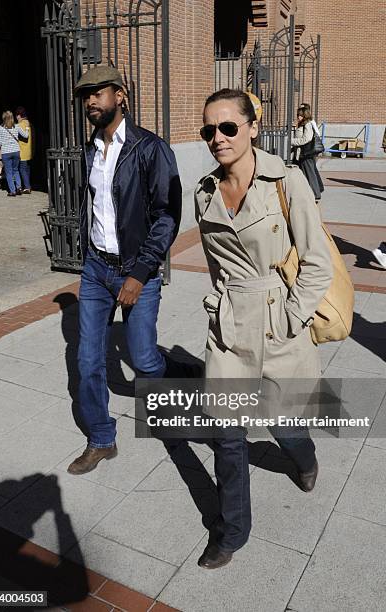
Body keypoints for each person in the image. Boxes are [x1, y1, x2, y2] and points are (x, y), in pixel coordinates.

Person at [193, 88, 332, 568]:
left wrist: (292, 316)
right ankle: (232, 532)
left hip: (278, 321)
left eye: (228, 127)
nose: (218, 138)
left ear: (252, 127)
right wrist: (219, 308)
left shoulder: (285, 181)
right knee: (227, 437)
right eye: (209, 129)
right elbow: (215, 265)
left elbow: (318, 263)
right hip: (229, 327)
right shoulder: (204, 191)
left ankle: (303, 456)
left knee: (283, 422)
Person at [67, 66, 182, 475]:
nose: (91, 101)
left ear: (121, 95)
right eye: (86, 95)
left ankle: (172, 388)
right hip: (97, 269)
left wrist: (139, 273)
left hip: (138, 271)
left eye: (98, 92)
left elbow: (167, 215)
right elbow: (96, 208)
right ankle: (101, 438)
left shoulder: (150, 148)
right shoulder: (89, 149)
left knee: (145, 358)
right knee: (88, 360)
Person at [291, 106, 324, 202]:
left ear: (304, 115)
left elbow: (306, 138)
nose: (298, 117)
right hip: (301, 153)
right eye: (297, 115)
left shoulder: (308, 124)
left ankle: (315, 194)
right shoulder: (301, 124)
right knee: (304, 173)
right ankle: (309, 191)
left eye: (299, 115)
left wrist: (292, 141)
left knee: (309, 173)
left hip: (307, 153)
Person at [0, 111, 28, 196]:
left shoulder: (0, 128)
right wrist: (27, 128)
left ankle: (12, 191)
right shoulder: (17, 126)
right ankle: (19, 187)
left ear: (3, 118)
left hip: (6, 153)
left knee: (9, 172)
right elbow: (25, 136)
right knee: (16, 170)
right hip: (16, 151)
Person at [16, 106, 33, 194]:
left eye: (17, 115)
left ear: (19, 115)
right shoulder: (29, 123)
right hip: (29, 151)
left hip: (23, 151)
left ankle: (27, 187)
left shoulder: (20, 124)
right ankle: (28, 185)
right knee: (27, 169)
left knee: (22, 169)